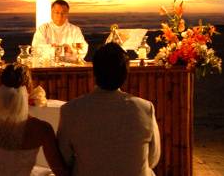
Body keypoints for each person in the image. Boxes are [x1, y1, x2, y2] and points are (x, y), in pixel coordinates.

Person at [57, 43, 161, 176]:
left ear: (94, 72)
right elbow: (152, 159)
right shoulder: (145, 108)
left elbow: (65, 159)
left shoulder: (70, 110)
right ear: (125, 74)